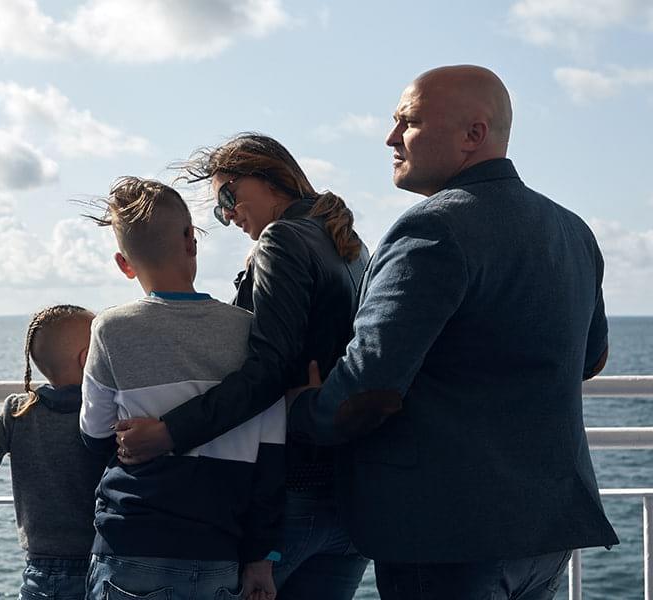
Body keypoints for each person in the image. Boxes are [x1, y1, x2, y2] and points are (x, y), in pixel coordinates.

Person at [279, 65, 617, 599]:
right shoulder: (571, 229)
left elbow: (370, 388)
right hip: (547, 530)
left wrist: (300, 409)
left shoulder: (433, 229)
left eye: (407, 121)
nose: (390, 137)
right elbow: (590, 360)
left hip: (448, 534)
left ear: (473, 134)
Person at [112, 133, 372, 598]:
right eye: (218, 209)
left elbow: (269, 369)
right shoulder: (350, 245)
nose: (228, 214)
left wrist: (170, 431)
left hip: (291, 493)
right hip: (350, 497)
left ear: (270, 176)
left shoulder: (283, 239)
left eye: (228, 196)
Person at [79, 176, 283, 600]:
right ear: (191, 240)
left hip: (132, 546)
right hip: (219, 550)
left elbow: (95, 433)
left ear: (124, 264)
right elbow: (270, 462)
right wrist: (260, 557)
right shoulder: (250, 332)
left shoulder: (111, 330)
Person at [0, 304, 107, 600]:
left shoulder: (19, 412)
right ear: (88, 358)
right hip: (108, 563)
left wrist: (5, 426)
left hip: (44, 571)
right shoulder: (109, 411)